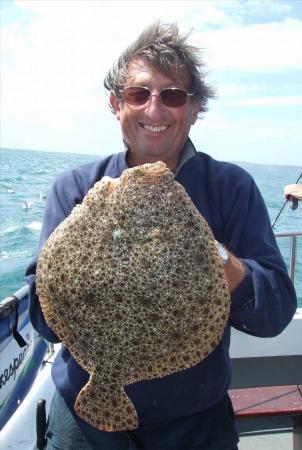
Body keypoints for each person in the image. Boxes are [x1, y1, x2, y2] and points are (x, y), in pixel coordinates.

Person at [26, 22, 297, 450]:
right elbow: (47, 323)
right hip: (83, 425)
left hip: (194, 426)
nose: (154, 110)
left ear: (195, 108)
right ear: (116, 104)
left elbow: (276, 312)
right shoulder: (75, 189)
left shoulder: (232, 188)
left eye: (172, 95)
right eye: (138, 94)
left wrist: (216, 260)